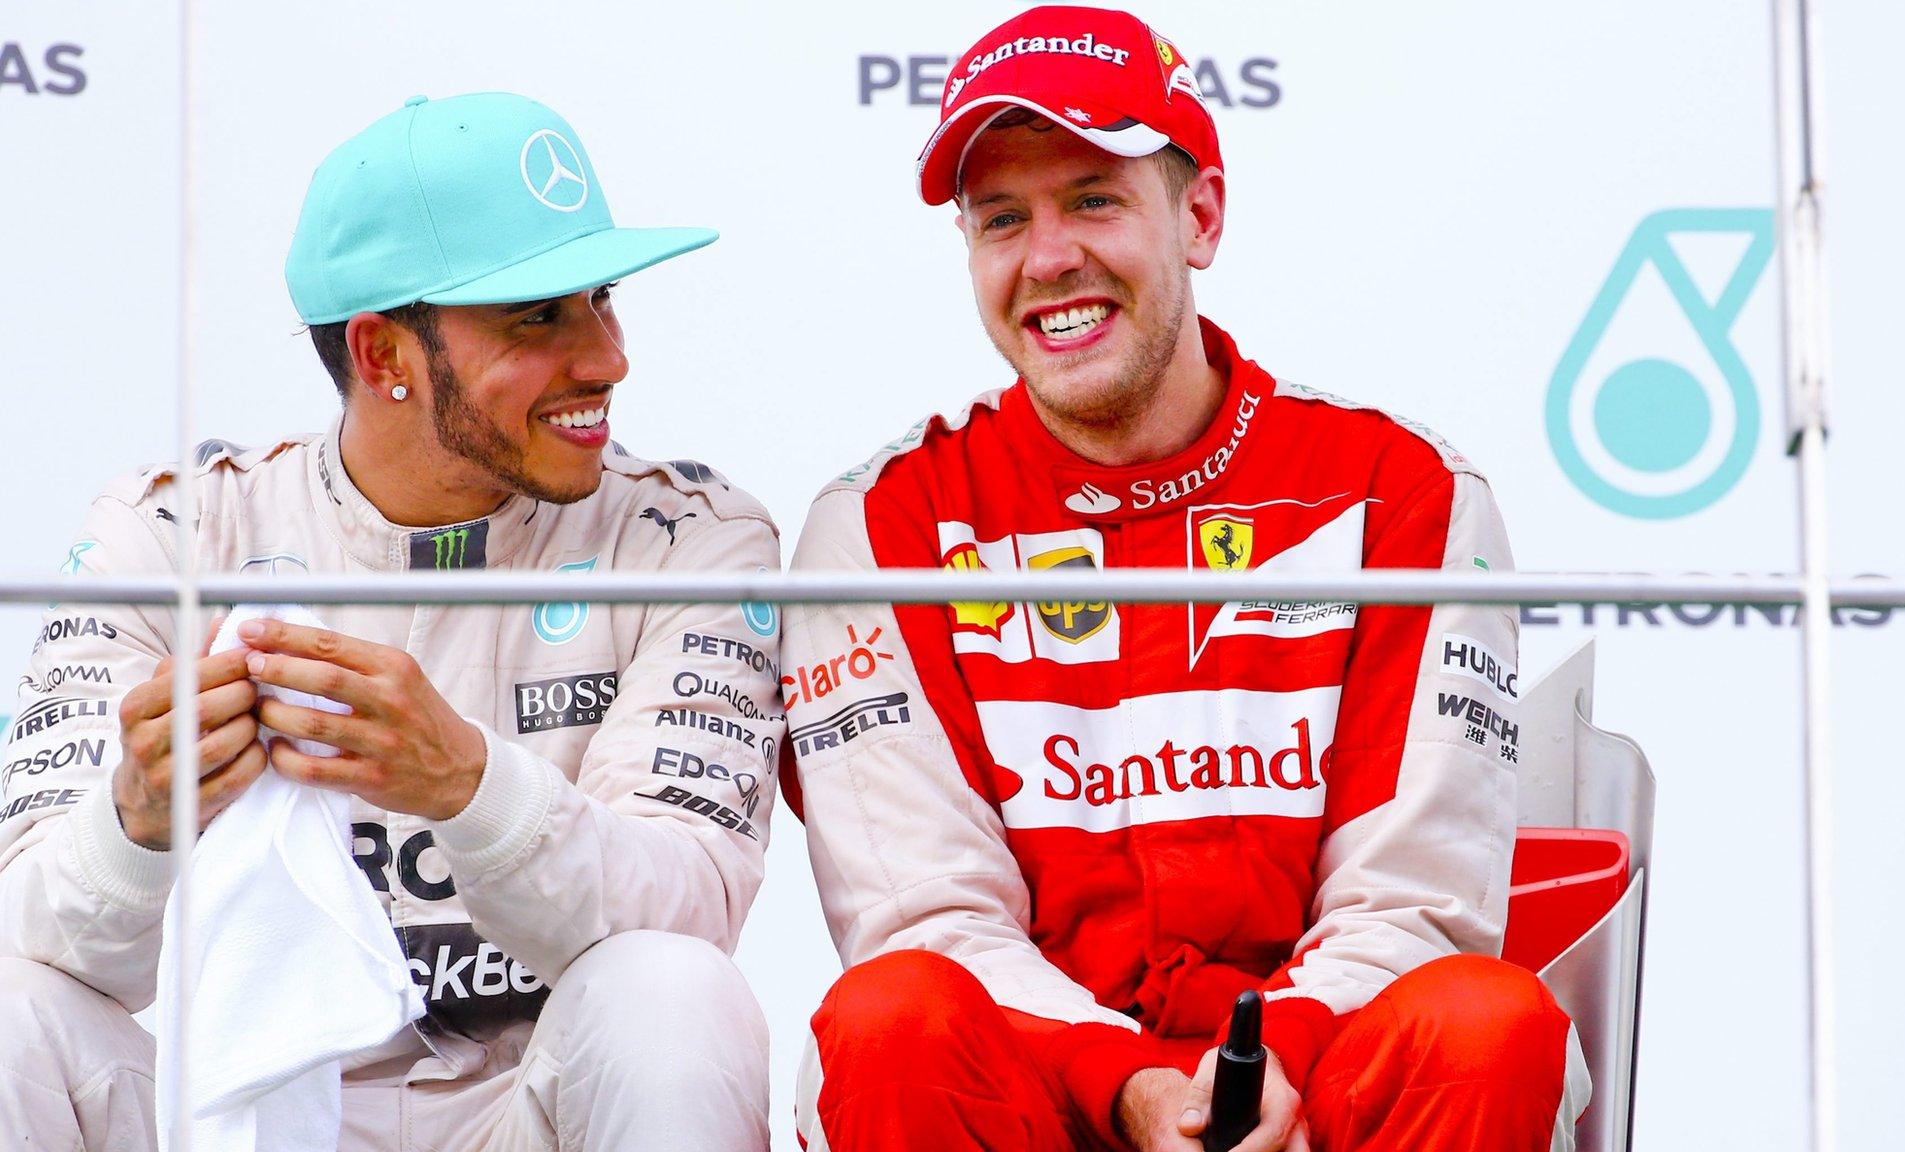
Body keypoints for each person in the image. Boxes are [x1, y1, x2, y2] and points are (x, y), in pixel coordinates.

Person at [783, 7, 1592, 1151]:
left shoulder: (1397, 492)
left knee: (1486, 1021)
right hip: (1043, 1091)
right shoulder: (879, 525)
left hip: (1320, 1073)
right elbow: (924, 921)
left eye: (1093, 199)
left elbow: (1415, 904)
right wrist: (1127, 1085)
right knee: (888, 1018)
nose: (1046, 257)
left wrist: (1267, 1067)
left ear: (1199, 216)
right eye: (1000, 219)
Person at [0, 92, 781, 1150]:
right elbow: (38, 935)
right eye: (537, 316)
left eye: (601, 298)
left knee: (673, 990)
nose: (605, 357)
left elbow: (691, 913)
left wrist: (468, 785)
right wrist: (135, 820)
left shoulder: (693, 535)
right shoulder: (173, 533)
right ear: (384, 358)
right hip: (232, 1122)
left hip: (520, 1116)